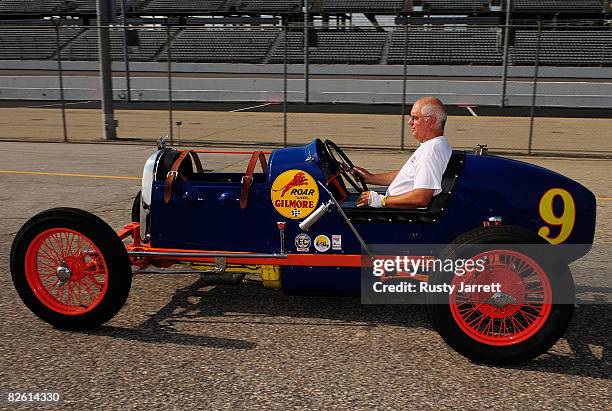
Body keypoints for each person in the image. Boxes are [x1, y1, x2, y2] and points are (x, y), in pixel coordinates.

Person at [355, 96, 452, 209]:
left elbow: (421, 198)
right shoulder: (436, 146)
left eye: (415, 118)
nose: (409, 122)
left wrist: (381, 200)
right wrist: (371, 178)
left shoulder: (430, 152)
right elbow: (409, 176)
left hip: (401, 216)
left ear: (431, 121)